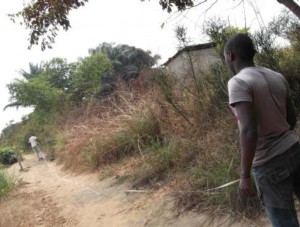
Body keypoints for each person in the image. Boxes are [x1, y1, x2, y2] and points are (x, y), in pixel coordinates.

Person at [225, 33, 300, 227]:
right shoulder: (276, 76)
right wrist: (280, 135)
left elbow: (249, 131)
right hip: (294, 150)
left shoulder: (237, 82)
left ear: (230, 56)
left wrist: (244, 175)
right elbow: (292, 118)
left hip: (269, 164)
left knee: (285, 223)